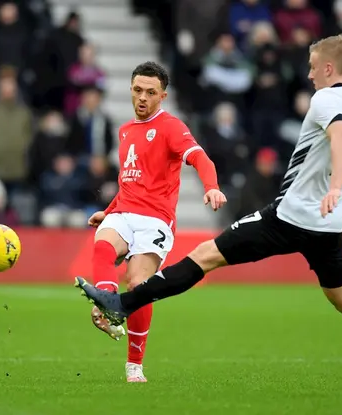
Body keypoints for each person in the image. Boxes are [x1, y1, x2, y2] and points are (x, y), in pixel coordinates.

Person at [75, 36, 342, 394]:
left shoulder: (325, 100)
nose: (307, 74)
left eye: (311, 66)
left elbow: (340, 138)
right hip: (328, 227)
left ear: (328, 68)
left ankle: (121, 305)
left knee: (204, 256)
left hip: (290, 217)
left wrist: (336, 185)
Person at [85, 61, 227, 383]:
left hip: (155, 221)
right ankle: (108, 301)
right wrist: (108, 211)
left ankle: (134, 364)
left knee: (138, 286)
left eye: (151, 92)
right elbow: (128, 183)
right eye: (137, 90)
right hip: (123, 213)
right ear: (131, 90)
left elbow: (200, 157)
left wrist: (212, 186)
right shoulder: (124, 131)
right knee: (103, 244)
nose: (143, 98)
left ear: (163, 95)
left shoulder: (172, 127)